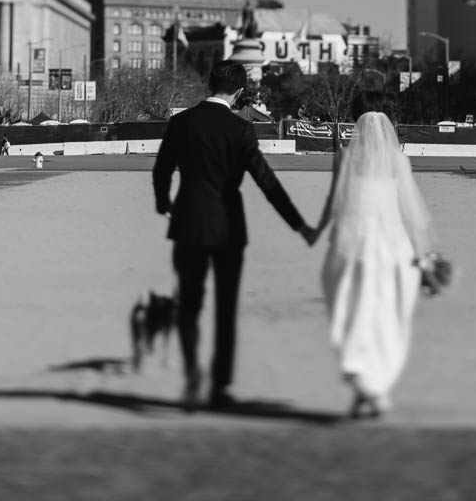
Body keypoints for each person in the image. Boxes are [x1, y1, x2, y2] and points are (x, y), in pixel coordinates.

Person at [153, 60, 314, 410]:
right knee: (225, 310)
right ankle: (219, 385)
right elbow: (266, 182)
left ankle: (193, 374)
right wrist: (299, 225)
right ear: (240, 93)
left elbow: (162, 168)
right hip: (228, 228)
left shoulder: (181, 123)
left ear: (209, 85)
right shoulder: (241, 130)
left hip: (189, 223)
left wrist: (163, 202)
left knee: (189, 306)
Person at [309, 78, 435, 419]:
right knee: (385, 315)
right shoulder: (398, 159)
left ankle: (364, 385)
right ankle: (372, 386)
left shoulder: (345, 156)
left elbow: (333, 203)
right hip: (392, 245)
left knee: (351, 308)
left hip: (354, 241)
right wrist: (425, 256)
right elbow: (411, 211)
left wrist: (315, 232)